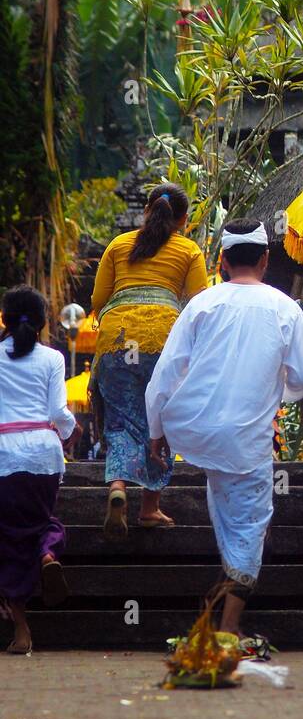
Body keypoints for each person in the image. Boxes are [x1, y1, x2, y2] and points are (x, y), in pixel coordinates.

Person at [146, 220, 303, 638]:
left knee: (228, 511)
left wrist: (156, 430)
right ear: (264, 259)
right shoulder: (284, 308)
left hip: (199, 430)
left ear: (221, 260)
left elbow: (165, 373)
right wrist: (278, 389)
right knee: (249, 522)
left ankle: (219, 605)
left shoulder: (202, 304)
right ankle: (227, 626)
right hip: (247, 438)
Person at [90, 182, 208, 541]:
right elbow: (200, 304)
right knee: (160, 423)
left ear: (147, 210)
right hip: (163, 341)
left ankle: (118, 486)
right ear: (184, 219)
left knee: (121, 422)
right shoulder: (188, 250)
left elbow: (98, 298)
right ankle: (149, 508)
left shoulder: (118, 245)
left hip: (117, 338)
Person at [0, 286, 81, 655]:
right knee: (41, 522)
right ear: (44, 321)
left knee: (10, 536)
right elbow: (58, 412)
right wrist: (70, 431)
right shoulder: (53, 358)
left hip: (4, 456)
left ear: (4, 319)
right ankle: (48, 552)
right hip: (44, 456)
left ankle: (21, 629)